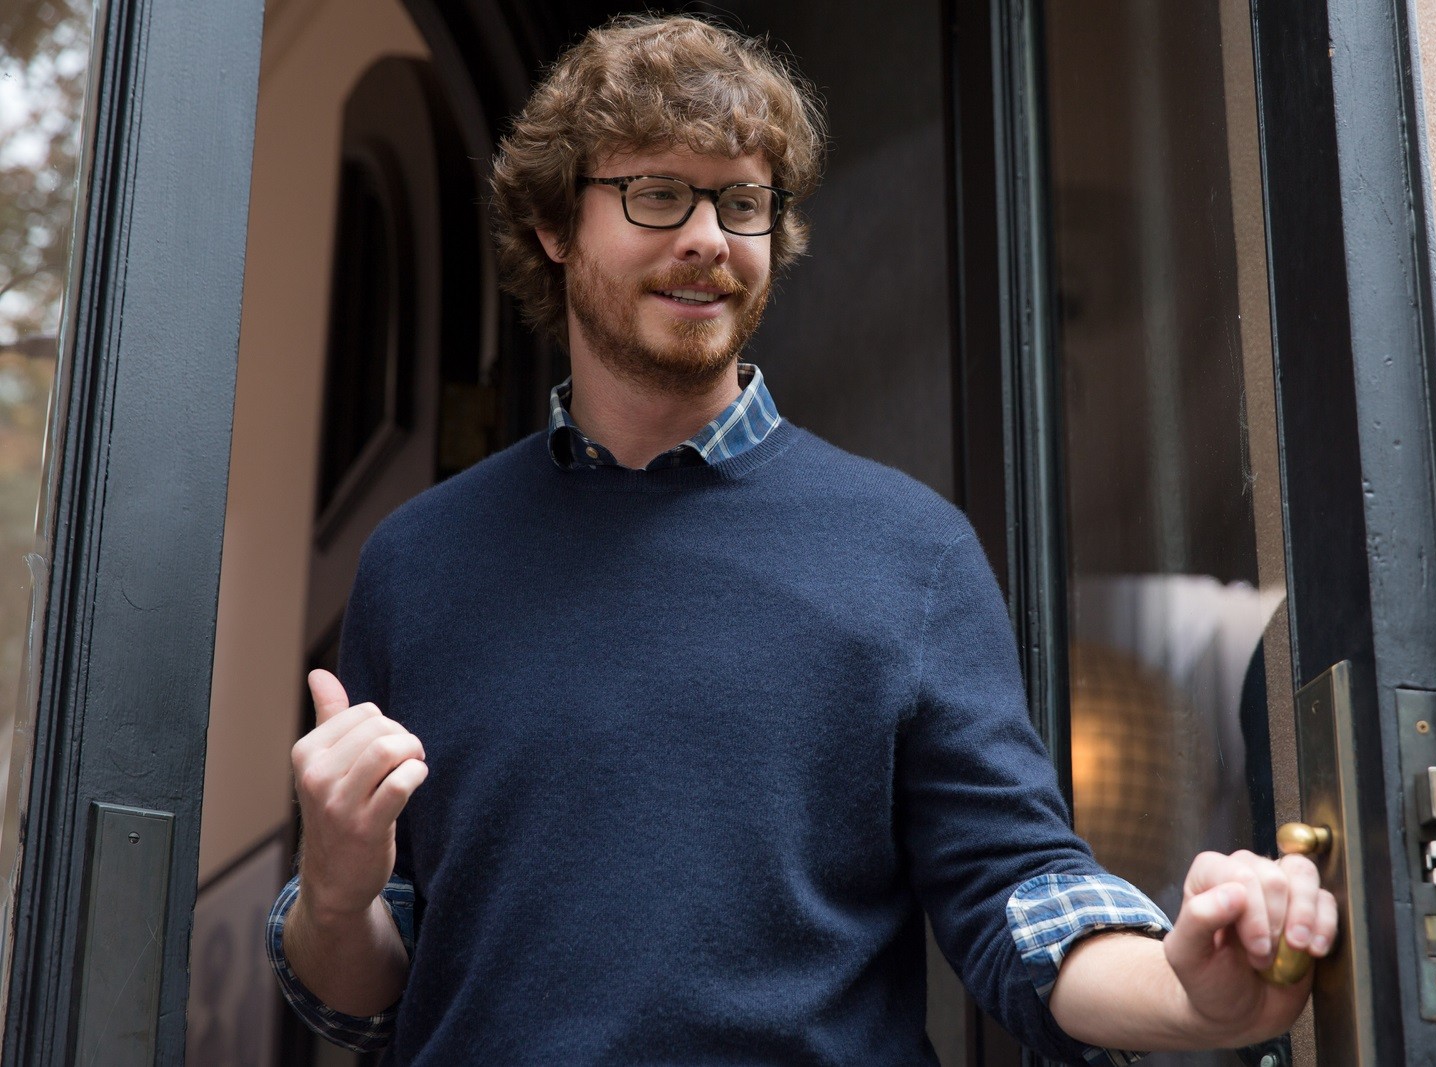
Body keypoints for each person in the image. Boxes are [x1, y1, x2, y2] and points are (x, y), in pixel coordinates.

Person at [266, 14, 1336, 1064]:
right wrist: (339, 883)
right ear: (553, 224)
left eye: (742, 203)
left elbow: (1014, 890)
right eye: (656, 193)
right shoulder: (417, 563)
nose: (705, 238)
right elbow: (361, 993)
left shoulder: (909, 548)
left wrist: (1188, 994)